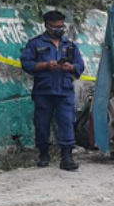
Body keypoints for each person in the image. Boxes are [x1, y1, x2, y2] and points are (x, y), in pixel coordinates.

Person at [20, 10, 86, 171]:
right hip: (43, 91)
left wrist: (71, 67)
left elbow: (80, 65)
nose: (59, 29)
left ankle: (67, 158)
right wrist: (45, 65)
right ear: (47, 26)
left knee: (67, 122)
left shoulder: (69, 45)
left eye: (61, 26)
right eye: (56, 26)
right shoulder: (35, 43)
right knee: (42, 124)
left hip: (64, 90)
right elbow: (26, 63)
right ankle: (43, 154)